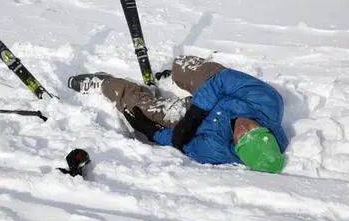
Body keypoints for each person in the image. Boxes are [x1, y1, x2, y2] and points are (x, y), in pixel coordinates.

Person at [68, 55, 288, 173]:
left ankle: (107, 84)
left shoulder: (217, 151)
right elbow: (222, 81)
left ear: (237, 149)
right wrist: (197, 112)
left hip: (191, 115)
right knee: (183, 66)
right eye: (253, 130)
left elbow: (180, 142)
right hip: (214, 88)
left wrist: (153, 132)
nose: (242, 129)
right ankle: (174, 75)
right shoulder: (268, 102)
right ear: (266, 128)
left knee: (144, 110)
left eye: (241, 139)